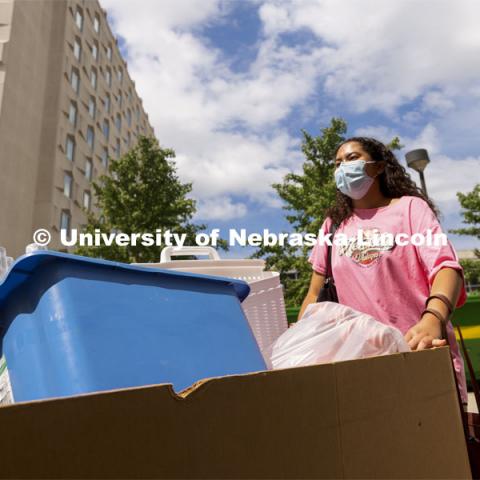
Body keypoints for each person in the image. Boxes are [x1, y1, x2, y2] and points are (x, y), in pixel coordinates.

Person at [299, 137, 468, 403]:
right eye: (337, 163)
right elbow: (313, 294)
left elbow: (446, 267)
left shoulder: (411, 208)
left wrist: (432, 320)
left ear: (378, 167)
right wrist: (301, 341)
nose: (343, 167)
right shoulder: (332, 225)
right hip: (358, 370)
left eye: (352, 158)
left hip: (418, 354)